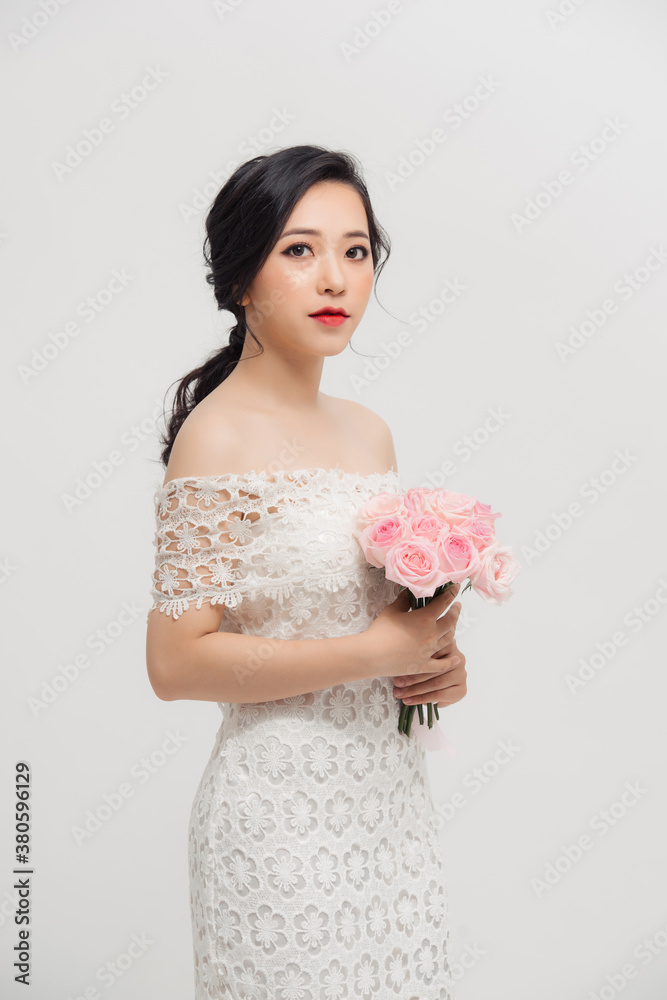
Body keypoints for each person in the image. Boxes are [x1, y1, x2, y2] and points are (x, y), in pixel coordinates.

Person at [145, 144, 467, 999]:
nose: (334, 277)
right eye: (300, 249)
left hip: (390, 811)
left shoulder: (369, 433)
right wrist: (376, 651)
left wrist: (434, 662)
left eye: (355, 251)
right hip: (278, 826)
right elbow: (176, 665)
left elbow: (381, 625)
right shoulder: (215, 439)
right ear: (243, 277)